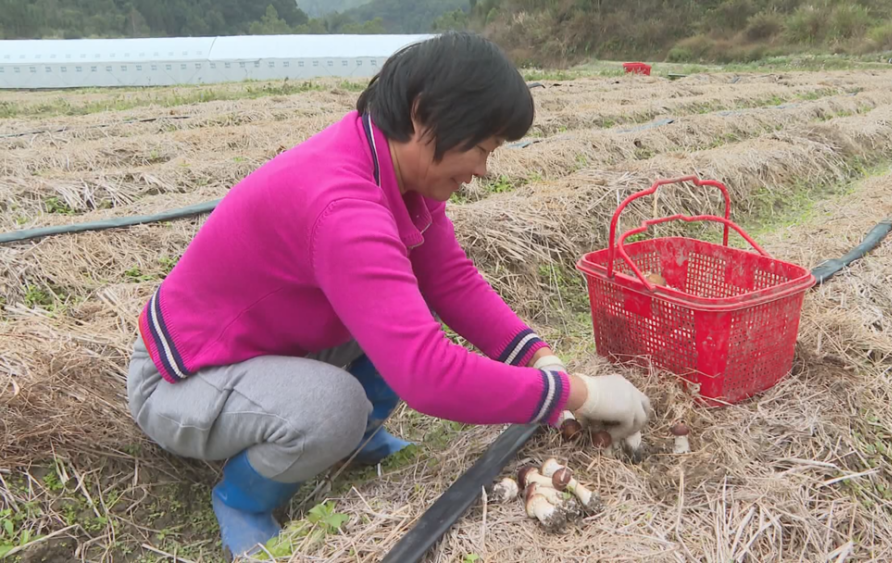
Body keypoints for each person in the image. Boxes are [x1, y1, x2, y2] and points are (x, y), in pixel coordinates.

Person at [125, 31, 651, 561]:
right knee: (335, 407)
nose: (483, 171)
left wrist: (541, 358)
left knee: (397, 314)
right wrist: (576, 393)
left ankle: (354, 443)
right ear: (425, 115)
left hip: (272, 346)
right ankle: (241, 498)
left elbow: (450, 280)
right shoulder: (343, 206)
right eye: (483, 148)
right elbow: (426, 375)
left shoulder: (388, 164)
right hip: (182, 380)